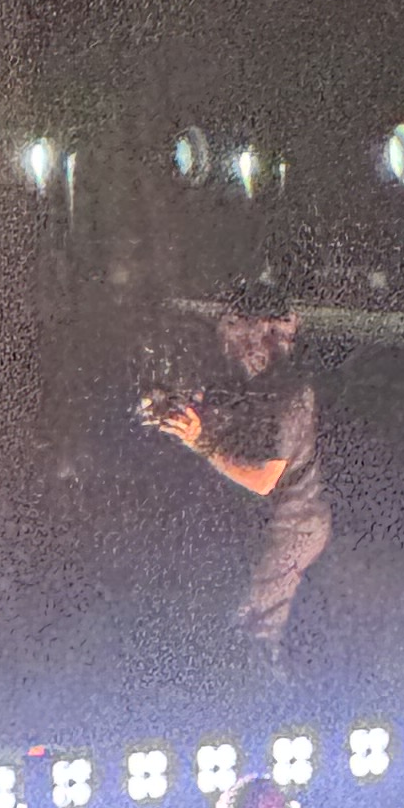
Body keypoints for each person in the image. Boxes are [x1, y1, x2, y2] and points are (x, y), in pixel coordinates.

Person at [140, 283, 331, 668]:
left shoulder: (289, 395)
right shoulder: (250, 380)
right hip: (255, 524)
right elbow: (213, 405)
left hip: (291, 527)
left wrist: (202, 442)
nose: (234, 346)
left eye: (244, 334)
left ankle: (258, 681)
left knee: (254, 624)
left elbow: (262, 480)